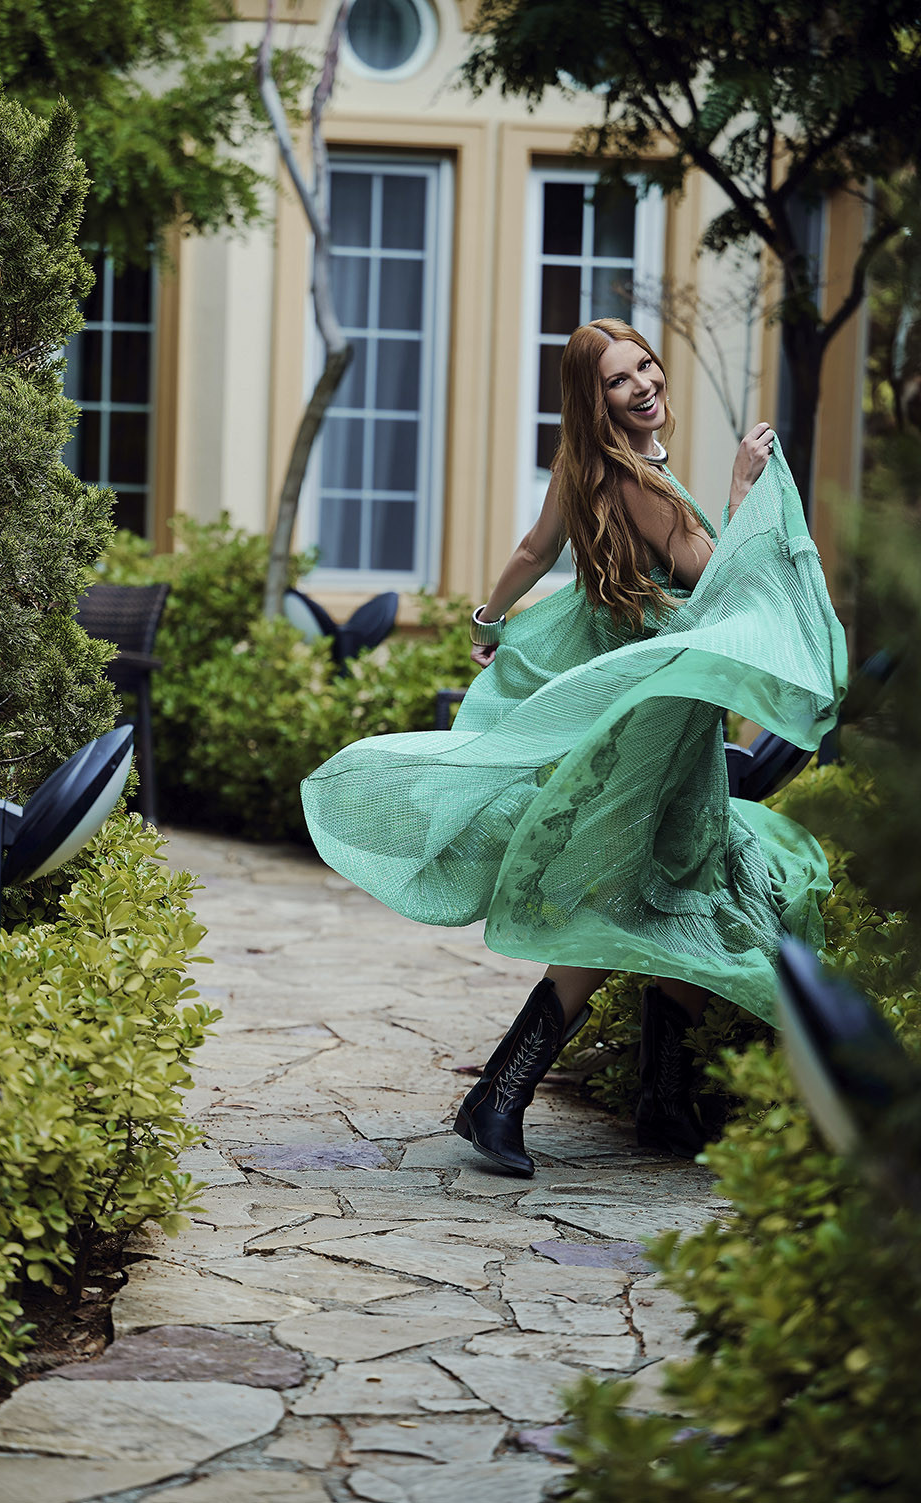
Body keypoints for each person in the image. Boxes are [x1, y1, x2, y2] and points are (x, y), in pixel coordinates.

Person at [302, 317, 846, 1178]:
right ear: (596, 400)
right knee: (624, 890)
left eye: (645, 365)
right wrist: (742, 492)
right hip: (660, 721)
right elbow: (714, 579)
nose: (643, 384)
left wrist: (487, 618)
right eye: (619, 380)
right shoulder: (640, 482)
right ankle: (499, 1093)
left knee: (682, 882)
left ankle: (662, 1100)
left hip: (661, 712)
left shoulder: (585, 467)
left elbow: (534, 549)